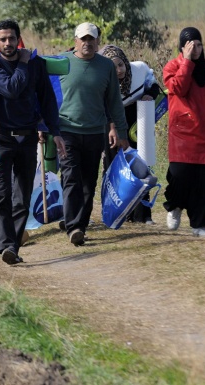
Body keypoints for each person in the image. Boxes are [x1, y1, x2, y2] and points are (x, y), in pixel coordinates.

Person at [0, 19, 67, 264]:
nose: (8, 43)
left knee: (23, 195)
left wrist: (55, 131)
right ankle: (4, 244)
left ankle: (13, 246)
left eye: (12, 38)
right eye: (3, 39)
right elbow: (11, 89)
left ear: (19, 39)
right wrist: (23, 62)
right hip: (1, 138)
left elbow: (47, 99)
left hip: (28, 137)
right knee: (1, 193)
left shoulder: (36, 65)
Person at [55, 23, 128, 246]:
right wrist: (43, 126)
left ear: (98, 42)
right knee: (71, 178)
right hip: (67, 131)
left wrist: (121, 131)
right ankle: (73, 226)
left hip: (95, 132)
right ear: (75, 41)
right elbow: (46, 94)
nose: (87, 43)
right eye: (83, 39)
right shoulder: (61, 62)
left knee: (89, 182)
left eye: (91, 39)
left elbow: (114, 101)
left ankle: (81, 224)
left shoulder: (106, 66)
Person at [162, 27, 205, 238]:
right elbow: (179, 88)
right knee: (179, 175)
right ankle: (175, 205)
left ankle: (200, 225)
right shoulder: (172, 67)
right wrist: (186, 62)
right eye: (190, 46)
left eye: (199, 45)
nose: (195, 50)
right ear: (181, 47)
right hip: (183, 135)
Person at [99, 44, 162, 225]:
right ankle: (117, 211)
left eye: (121, 65)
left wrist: (149, 95)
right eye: (113, 67)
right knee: (114, 168)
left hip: (137, 122)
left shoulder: (140, 69)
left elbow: (154, 86)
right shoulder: (102, 79)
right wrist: (113, 129)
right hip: (111, 124)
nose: (119, 70)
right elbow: (102, 106)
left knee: (140, 166)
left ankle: (143, 216)